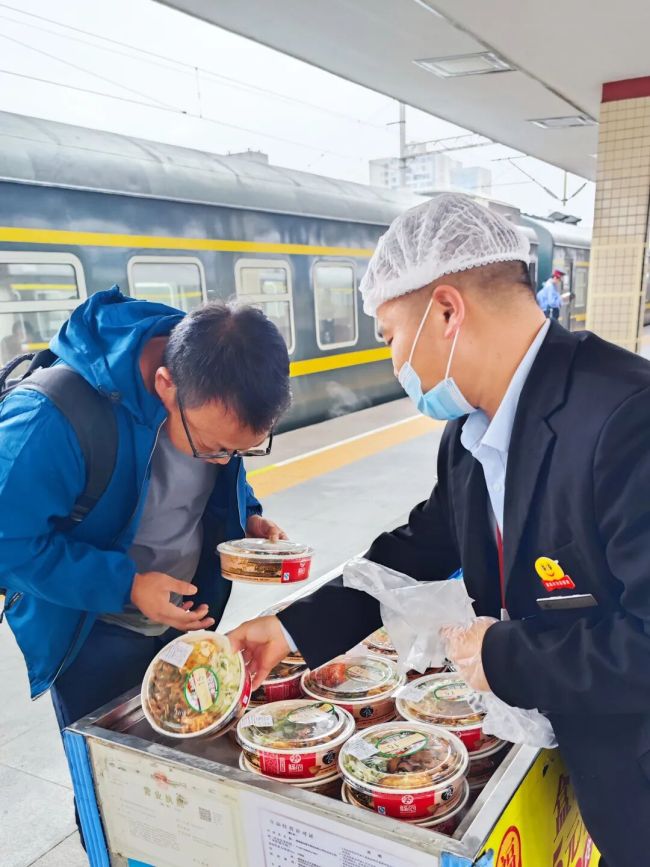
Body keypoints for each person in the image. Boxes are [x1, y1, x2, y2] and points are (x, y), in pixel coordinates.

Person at [229, 194, 650, 867]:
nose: (394, 360)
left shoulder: (624, 416)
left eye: (392, 333)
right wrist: (288, 630)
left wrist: (506, 656)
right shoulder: (469, 437)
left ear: (447, 312)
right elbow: (414, 553)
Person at [0, 286, 290, 740]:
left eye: (241, 451)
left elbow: (222, 470)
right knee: (112, 779)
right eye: (214, 448)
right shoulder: (50, 417)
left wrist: (248, 514)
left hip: (181, 619)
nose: (224, 459)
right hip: (93, 633)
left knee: (181, 758)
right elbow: (9, 545)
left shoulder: (214, 377)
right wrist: (127, 586)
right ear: (165, 386)